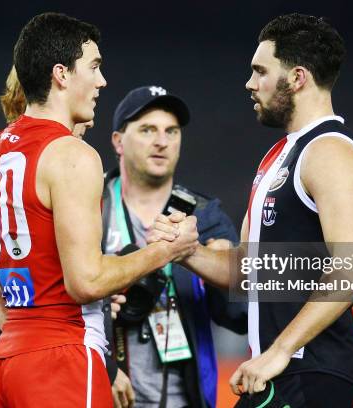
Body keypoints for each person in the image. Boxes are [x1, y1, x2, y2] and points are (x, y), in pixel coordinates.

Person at [0, 13, 197, 408]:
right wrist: (164, 251)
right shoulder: (72, 155)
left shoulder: (0, 149)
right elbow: (86, 283)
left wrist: (9, 320)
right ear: (62, 74)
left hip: (6, 361)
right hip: (61, 358)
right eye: (93, 67)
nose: (101, 81)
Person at [151, 13, 353, 407]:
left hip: (317, 373)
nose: (250, 84)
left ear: (298, 77)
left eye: (260, 71)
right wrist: (186, 251)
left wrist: (280, 349)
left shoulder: (331, 151)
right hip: (277, 373)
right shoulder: (278, 157)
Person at [0, 66, 106, 408]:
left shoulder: (201, 209)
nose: (90, 121)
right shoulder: (7, 168)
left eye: (171, 131)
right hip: (19, 365)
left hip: (24, 363)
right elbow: (82, 282)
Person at [102, 86, 247, 408]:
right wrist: (104, 366)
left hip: (185, 399)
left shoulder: (206, 216)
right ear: (118, 141)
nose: (162, 141)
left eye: (172, 131)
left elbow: (241, 317)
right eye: (147, 130)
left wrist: (218, 274)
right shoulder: (89, 207)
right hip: (101, 390)